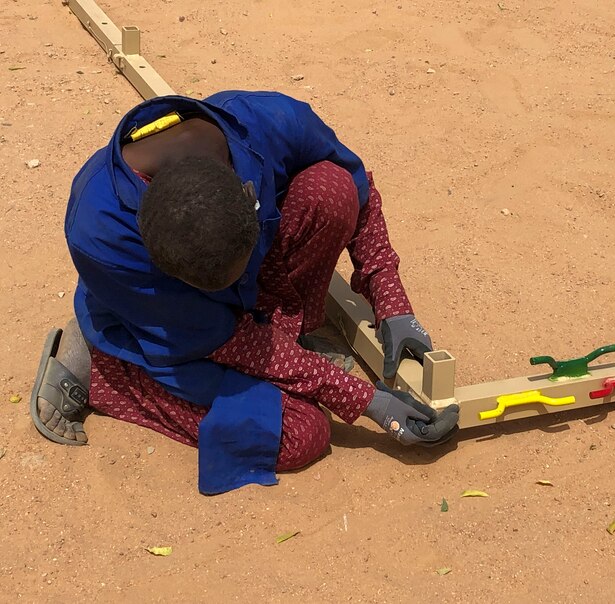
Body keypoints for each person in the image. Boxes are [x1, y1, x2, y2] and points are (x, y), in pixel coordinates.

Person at [29, 90, 460, 494]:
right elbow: (226, 339)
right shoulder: (102, 233)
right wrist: (366, 400)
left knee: (330, 190)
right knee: (302, 431)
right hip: (167, 327)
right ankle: (105, 372)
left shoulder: (269, 122)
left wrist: (391, 302)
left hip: (224, 310)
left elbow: (355, 182)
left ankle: (288, 350)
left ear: (247, 196)